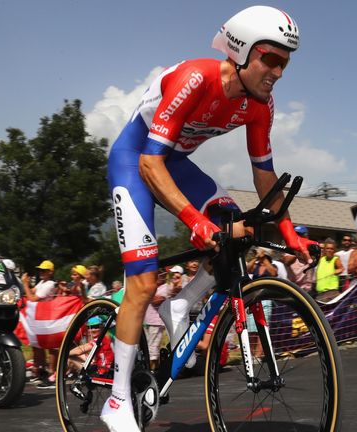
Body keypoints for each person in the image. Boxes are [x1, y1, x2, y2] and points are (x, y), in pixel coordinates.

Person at [101, 7, 310, 430]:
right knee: (142, 283)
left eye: (284, 63)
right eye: (271, 58)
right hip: (136, 162)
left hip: (174, 164)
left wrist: (289, 231)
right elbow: (149, 164)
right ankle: (117, 400)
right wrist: (193, 219)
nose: (278, 72)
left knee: (241, 228)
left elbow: (265, 175)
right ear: (242, 51)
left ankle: (183, 303)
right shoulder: (195, 78)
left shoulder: (260, 105)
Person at [21, 260, 58, 387]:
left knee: (51, 347)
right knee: (37, 345)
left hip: (48, 317)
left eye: (44, 270)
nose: (41, 272)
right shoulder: (42, 282)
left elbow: (32, 298)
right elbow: (31, 291)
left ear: (50, 272)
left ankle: (52, 374)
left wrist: (25, 284)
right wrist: (26, 286)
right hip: (39, 317)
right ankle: (40, 370)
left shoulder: (50, 284)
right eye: (40, 270)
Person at [284, 225, 316, 295]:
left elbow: (313, 261)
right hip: (292, 287)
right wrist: (297, 250)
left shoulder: (311, 248)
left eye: (300, 235)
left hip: (307, 289)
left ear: (306, 237)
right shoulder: (290, 248)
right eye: (295, 235)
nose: (297, 237)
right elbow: (287, 261)